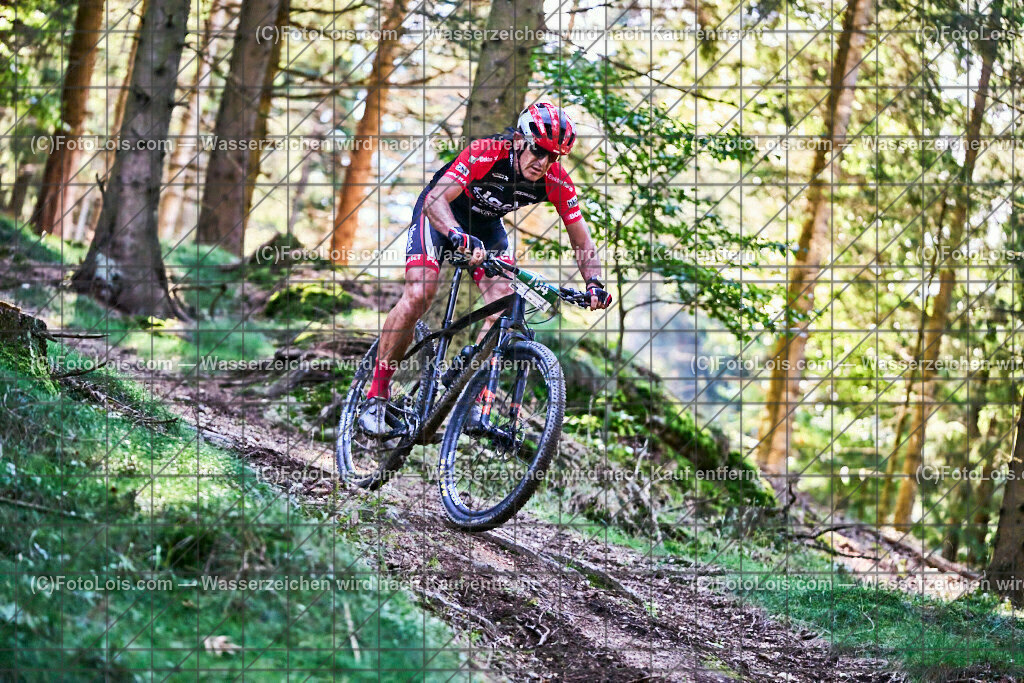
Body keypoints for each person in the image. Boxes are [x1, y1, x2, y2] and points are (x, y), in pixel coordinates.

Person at [359, 102, 612, 435]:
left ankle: (476, 405)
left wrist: (593, 281)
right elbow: (436, 199)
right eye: (539, 151)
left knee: (504, 301)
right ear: (521, 139)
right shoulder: (486, 152)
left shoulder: (555, 180)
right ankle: (376, 395)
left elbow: (581, 238)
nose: (543, 162)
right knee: (420, 294)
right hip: (439, 215)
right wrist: (454, 234)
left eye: (554, 156)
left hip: (485, 230)